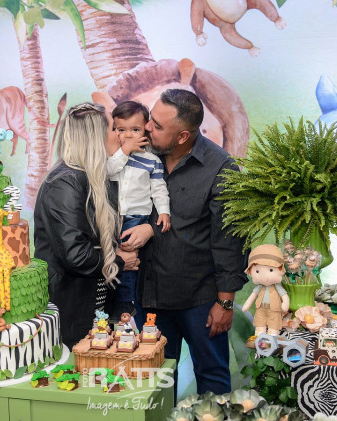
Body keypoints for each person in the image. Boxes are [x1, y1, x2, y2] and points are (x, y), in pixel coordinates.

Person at [120, 89, 249, 395]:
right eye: (151, 119)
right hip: (149, 295)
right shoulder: (140, 156)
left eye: (157, 126)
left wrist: (225, 303)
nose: (147, 127)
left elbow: (230, 242)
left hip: (199, 299)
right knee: (156, 381)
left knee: (213, 377)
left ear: (183, 137)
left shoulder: (221, 168)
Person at [33, 102, 139, 348]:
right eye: (113, 129)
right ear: (96, 137)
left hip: (94, 303)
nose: (119, 135)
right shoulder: (65, 183)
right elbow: (77, 256)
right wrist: (119, 261)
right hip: (70, 308)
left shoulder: (92, 178)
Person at [106, 101, 171, 324]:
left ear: (146, 130)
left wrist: (164, 211)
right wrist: (124, 152)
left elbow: (159, 189)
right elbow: (109, 171)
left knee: (129, 259)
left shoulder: (152, 161)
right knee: (111, 259)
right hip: (111, 217)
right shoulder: (112, 157)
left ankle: (126, 302)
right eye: (121, 130)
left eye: (135, 129)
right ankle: (110, 303)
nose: (128, 135)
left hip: (136, 218)